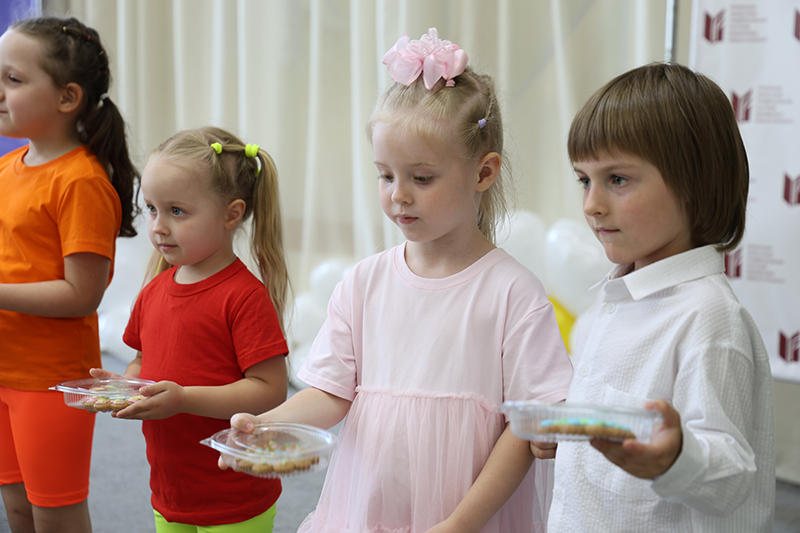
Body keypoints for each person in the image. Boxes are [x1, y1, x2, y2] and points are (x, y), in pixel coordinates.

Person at [225, 28, 574, 533]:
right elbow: (331, 393)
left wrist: (459, 525)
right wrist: (266, 425)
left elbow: (525, 430)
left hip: (464, 516)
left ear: (483, 173)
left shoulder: (512, 293)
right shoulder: (364, 283)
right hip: (367, 508)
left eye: (421, 178)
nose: (399, 196)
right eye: (385, 175)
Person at [544, 63, 775, 532]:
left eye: (618, 179)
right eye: (584, 180)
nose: (591, 204)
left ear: (694, 183)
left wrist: (676, 458)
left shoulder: (708, 317)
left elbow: (732, 477)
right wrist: (566, 433)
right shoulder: (606, 305)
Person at [90, 127, 291, 532]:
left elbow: (270, 390)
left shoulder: (244, 298)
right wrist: (128, 387)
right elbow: (142, 360)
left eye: (177, 211)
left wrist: (184, 399)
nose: (158, 226)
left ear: (232, 214)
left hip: (234, 496)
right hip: (170, 491)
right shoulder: (153, 292)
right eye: (152, 209)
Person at [0, 16, 139, 533]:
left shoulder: (81, 182)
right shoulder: (9, 167)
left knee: (54, 513)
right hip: (5, 365)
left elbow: (82, 294)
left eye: (13, 79)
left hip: (49, 378)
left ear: (67, 97)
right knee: (16, 506)